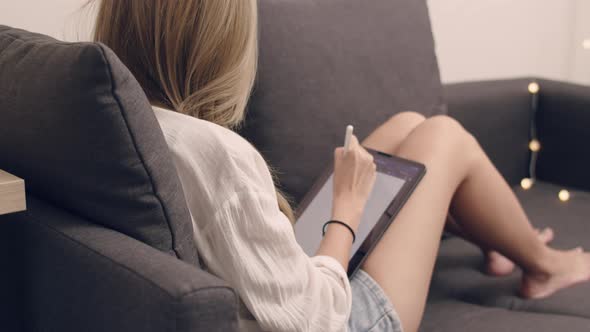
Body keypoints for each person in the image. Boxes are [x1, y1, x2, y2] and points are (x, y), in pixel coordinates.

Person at [91, 1, 590, 331]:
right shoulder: (218, 153)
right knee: (443, 135)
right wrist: (346, 211)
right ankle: (546, 266)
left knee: (406, 125)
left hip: (272, 273)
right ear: (216, 44)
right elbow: (318, 317)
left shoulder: (126, 123)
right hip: (345, 318)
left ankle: (499, 240)